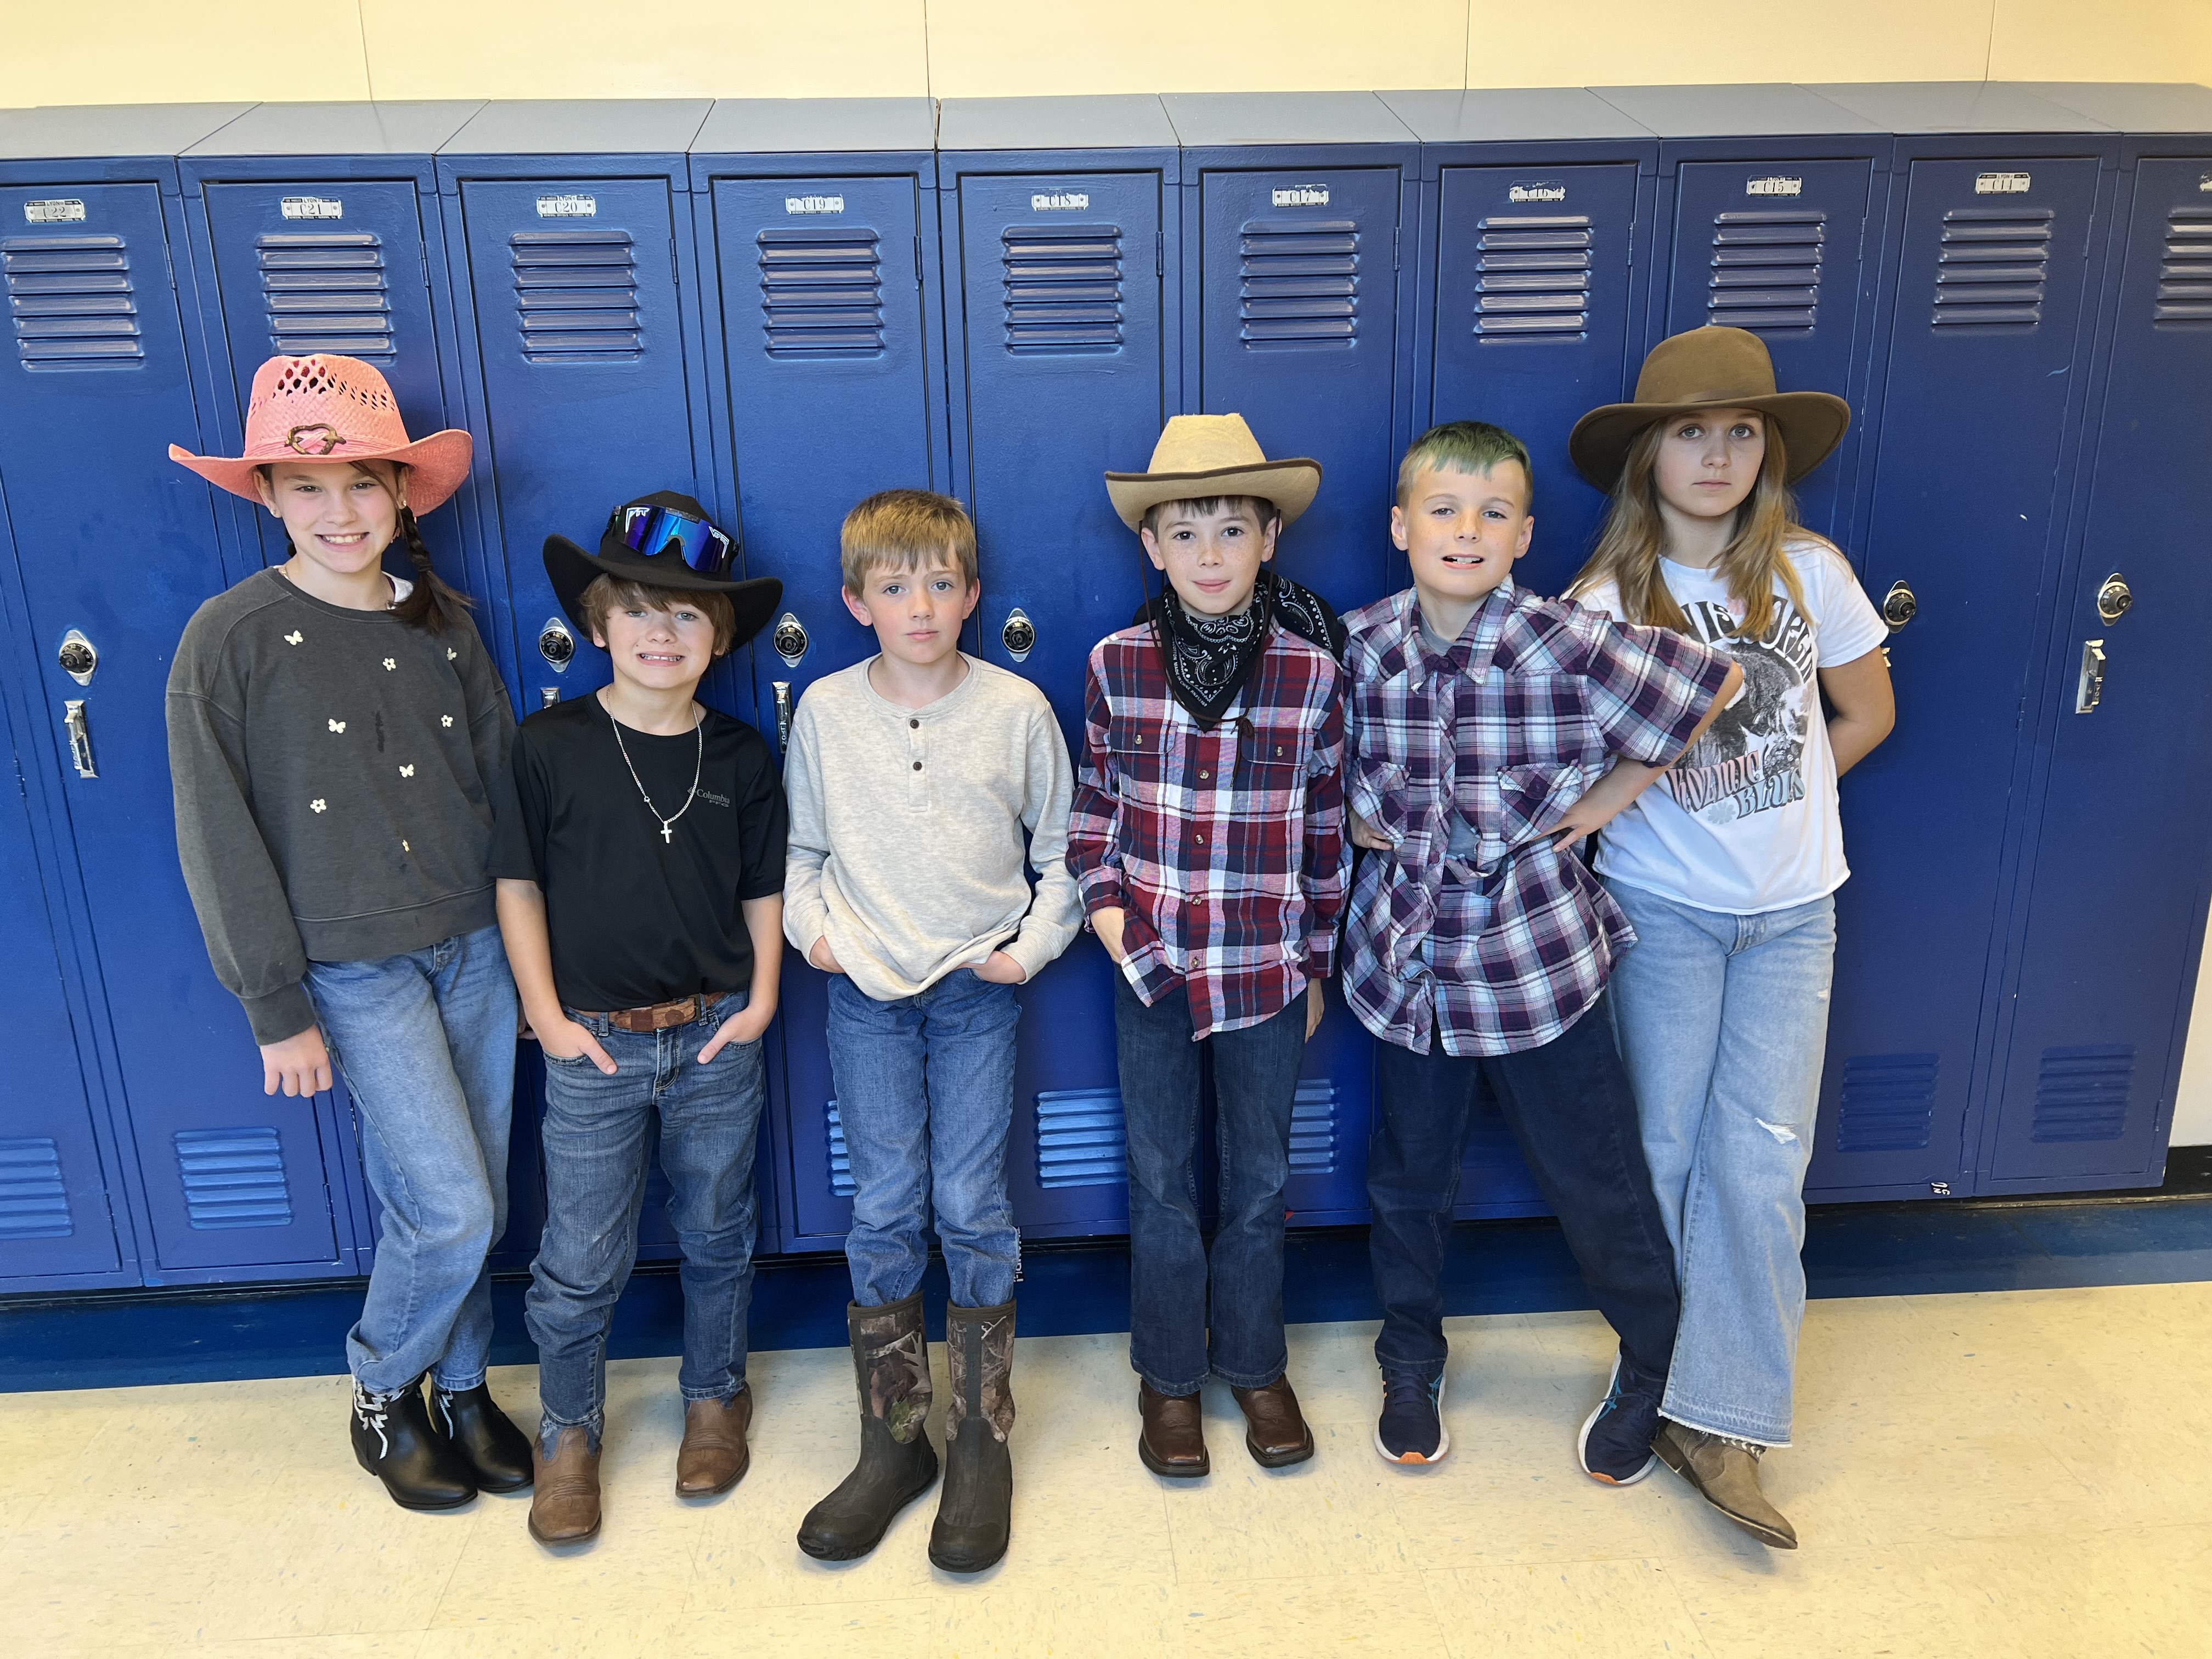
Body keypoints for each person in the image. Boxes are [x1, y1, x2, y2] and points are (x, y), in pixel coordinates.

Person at [1340, 419, 1742, 1481]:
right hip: (1408, 973)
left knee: (1594, 1179)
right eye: (1442, 510)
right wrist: (1350, 820)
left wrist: (1608, 799)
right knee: (1408, 1181)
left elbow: (1714, 684)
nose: (1466, 531)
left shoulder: (1561, 640)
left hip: (1535, 970)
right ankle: (1409, 1361)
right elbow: (1315, 769)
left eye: (1493, 514)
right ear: (1400, 527)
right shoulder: (1364, 643)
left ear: (1524, 535)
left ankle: (1651, 1364)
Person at [166, 353, 533, 1510]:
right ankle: (384, 1387)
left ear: (404, 497)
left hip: (474, 947)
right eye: (308, 488)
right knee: (451, 1204)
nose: (339, 514)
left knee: (472, 1187)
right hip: (353, 966)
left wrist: (534, 957)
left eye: (364, 486)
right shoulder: (226, 638)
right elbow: (216, 836)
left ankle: (463, 1389)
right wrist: (276, 1007)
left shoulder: (445, 621)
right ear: (267, 496)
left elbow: (500, 791)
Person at [1563, 326, 1895, 1548]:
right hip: (1662, 911)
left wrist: (1784, 789)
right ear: (1647, 455)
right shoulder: (1602, 604)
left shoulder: (1810, 569)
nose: (1718, 455)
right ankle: (1652, 1376)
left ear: (1770, 450)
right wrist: (1683, 804)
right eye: (1692, 433)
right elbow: (1585, 771)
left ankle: (1732, 1423)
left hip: (1795, 914)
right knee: (1659, 1154)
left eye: (1741, 433)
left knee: (1761, 1168)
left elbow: (1863, 711)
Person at [785, 489, 1080, 1575]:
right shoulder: (823, 712)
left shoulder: (1015, 709)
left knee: (970, 1202)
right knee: (885, 1208)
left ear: (974, 595)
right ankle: (896, 1437)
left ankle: (980, 1439)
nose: (921, 606)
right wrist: (819, 940)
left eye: (942, 585)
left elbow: (1068, 849)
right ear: (858, 601)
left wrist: (1027, 951)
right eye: (896, 587)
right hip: (864, 985)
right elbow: (802, 853)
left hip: (974, 987)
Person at [490, 493, 786, 1547]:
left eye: (691, 616)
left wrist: (761, 1000)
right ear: (601, 623)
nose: (664, 633)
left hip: (713, 1034)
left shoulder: (743, 756)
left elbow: (763, 889)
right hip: (593, 1045)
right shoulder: (549, 744)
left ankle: (716, 1397)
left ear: (723, 638)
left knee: (717, 1229)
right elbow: (517, 886)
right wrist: (547, 1018)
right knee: (581, 1252)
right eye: (641, 611)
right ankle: (569, 1434)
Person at [1067, 415, 1349, 1481]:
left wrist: (1316, 962)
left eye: (1234, 530)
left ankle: (1256, 1362)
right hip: (1151, 968)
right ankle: (1170, 1375)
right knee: (1161, 1178)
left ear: (1270, 539)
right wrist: (1116, 928)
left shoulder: (1312, 675)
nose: (1212, 556)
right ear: (1152, 548)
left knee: (1261, 1176)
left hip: (1269, 971)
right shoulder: (1116, 665)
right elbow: (1093, 818)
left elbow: (1326, 832)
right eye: (1186, 535)